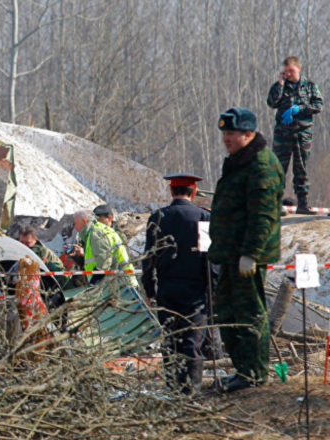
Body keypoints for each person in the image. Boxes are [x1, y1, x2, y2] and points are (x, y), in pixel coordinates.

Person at [209, 107, 284, 392]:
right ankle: (243, 369)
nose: (226, 138)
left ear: (248, 134)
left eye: (231, 133)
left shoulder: (261, 165)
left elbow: (263, 215)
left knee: (249, 312)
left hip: (246, 256)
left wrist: (251, 252)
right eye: (225, 133)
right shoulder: (241, 161)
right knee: (227, 311)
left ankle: (253, 372)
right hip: (230, 253)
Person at [142, 173, 212, 394]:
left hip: (167, 288)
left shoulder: (158, 217)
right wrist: (213, 290)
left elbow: (148, 257)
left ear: (172, 192)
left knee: (170, 340)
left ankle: (173, 388)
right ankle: (192, 391)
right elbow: (210, 257)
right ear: (194, 192)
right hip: (195, 290)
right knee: (192, 341)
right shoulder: (203, 217)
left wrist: (150, 289)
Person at [266, 56, 323, 214]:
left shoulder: (309, 86)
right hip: (283, 135)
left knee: (301, 169)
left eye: (291, 71)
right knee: (278, 169)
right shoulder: (281, 86)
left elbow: (318, 105)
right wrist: (279, 84)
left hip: (302, 134)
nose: (288, 74)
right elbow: (271, 102)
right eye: (286, 72)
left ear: (298, 68)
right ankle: (275, 204)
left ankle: (303, 204)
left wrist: (300, 108)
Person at [71, 205, 134, 285]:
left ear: (84, 221)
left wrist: (94, 282)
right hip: (120, 282)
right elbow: (93, 260)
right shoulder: (93, 233)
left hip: (118, 284)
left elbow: (104, 263)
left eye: (75, 223)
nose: (74, 227)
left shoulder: (97, 233)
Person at [17, 225, 69, 289]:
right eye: (22, 242)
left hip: (59, 280)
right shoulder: (22, 248)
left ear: (35, 240)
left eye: (27, 243)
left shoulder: (39, 250)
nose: (24, 246)